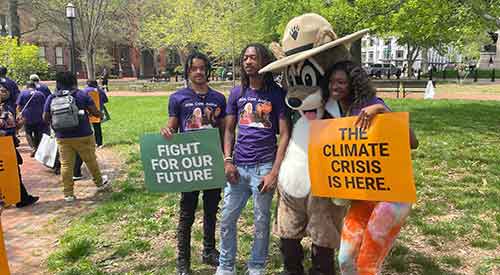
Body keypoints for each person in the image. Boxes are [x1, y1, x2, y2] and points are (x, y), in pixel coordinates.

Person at [320, 60, 418, 275]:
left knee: (367, 264)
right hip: (363, 195)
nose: (334, 86)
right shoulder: (337, 111)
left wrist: (382, 110)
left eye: (341, 82)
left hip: (392, 197)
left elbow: (413, 142)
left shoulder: (373, 104)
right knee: (345, 259)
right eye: (331, 82)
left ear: (353, 85)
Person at [216, 44, 291, 275]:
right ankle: (226, 265)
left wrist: (274, 172)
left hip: (264, 167)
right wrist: (227, 160)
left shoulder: (276, 94)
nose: (248, 61)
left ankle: (256, 266)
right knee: (227, 218)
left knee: (261, 221)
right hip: (238, 167)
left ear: (264, 62)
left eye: (254, 57)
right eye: (245, 58)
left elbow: (285, 133)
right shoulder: (237, 94)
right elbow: (229, 130)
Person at [160, 52, 226, 275]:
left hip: (212, 160)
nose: (198, 72)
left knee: (211, 208)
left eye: (201, 68)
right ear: (187, 72)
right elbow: (172, 125)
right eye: (193, 68)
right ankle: (183, 261)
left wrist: (227, 156)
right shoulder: (178, 97)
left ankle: (209, 250)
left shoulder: (219, 98)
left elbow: (225, 130)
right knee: (186, 212)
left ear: (207, 71)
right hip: (189, 164)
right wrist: (167, 131)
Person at [43, 71, 111, 202]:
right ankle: (99, 183)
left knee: (66, 165)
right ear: (73, 82)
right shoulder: (81, 95)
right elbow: (95, 112)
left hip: (62, 137)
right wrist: (101, 115)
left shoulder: (51, 98)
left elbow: (45, 118)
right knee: (90, 160)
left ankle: (68, 193)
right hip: (83, 134)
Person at [0, 83, 39, 208]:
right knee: (12, 172)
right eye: (1, 91)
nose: (4, 93)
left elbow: (12, 126)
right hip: (3, 146)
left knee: (14, 171)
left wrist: (19, 124)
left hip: (9, 145)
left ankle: (21, 198)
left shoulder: (7, 107)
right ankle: (20, 198)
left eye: (5, 91)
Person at [16, 82, 49, 157]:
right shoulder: (40, 94)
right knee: (38, 132)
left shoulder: (23, 93)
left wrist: (19, 115)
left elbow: (18, 106)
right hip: (39, 116)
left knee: (28, 132)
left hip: (27, 116)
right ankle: (37, 147)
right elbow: (45, 105)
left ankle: (33, 147)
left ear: (27, 86)